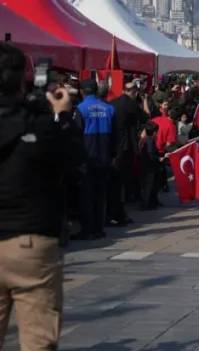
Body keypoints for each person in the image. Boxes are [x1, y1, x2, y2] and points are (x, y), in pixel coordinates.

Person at [0, 43, 85, 350]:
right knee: (38, 340)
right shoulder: (39, 126)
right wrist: (62, 118)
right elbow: (75, 159)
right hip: (31, 242)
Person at [75, 79, 116, 240]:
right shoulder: (109, 109)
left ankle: (87, 229)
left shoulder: (81, 109)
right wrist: (112, 156)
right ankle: (98, 228)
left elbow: (76, 136)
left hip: (87, 157)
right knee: (100, 194)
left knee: (86, 195)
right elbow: (115, 136)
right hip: (105, 157)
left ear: (83, 91)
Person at [107, 81, 143, 225]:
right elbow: (145, 119)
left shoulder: (112, 104)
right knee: (122, 183)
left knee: (113, 183)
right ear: (134, 92)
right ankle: (119, 213)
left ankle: (112, 213)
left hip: (112, 146)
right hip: (126, 147)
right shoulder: (132, 104)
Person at [138, 121, 161, 210]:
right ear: (154, 132)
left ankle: (145, 203)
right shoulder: (150, 141)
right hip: (149, 167)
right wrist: (159, 159)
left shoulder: (143, 140)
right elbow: (151, 154)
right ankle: (146, 204)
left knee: (145, 186)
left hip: (144, 166)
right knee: (148, 186)